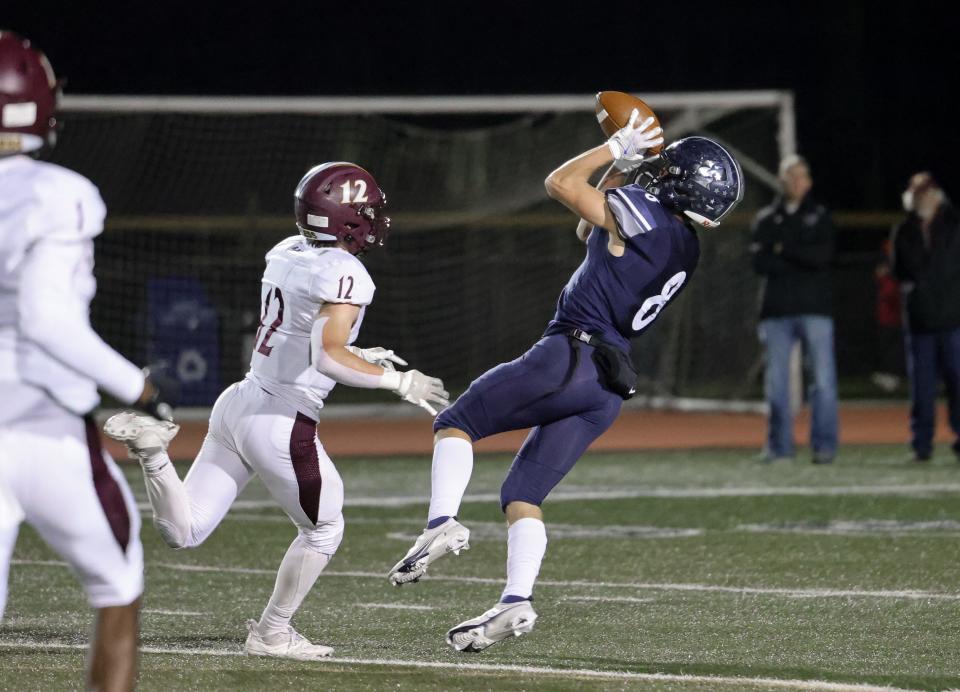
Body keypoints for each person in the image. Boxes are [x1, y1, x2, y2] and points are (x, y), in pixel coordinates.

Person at [387, 111, 743, 652]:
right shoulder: (684, 245)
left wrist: (614, 147)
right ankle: (515, 601)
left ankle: (441, 522)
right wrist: (621, 166)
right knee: (522, 495)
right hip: (605, 389)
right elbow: (588, 224)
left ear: (677, 180)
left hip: (570, 354)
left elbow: (559, 185)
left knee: (456, 422)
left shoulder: (645, 213)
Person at [103, 162, 449, 660]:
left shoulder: (288, 251)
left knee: (185, 531)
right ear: (348, 218)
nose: (375, 218)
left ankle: (154, 453)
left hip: (240, 401)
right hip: (282, 419)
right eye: (366, 210)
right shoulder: (346, 271)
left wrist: (360, 354)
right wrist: (398, 380)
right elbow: (326, 353)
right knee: (326, 528)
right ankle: (272, 633)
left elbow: (305, 334)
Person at [0, 30, 175, 692]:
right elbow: (47, 319)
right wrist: (139, 386)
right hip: (46, 427)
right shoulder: (58, 191)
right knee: (117, 584)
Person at [750, 155, 838, 464]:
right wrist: (799, 253)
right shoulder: (765, 217)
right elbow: (760, 262)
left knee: (824, 382)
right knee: (777, 386)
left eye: (800, 175)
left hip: (815, 309)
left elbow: (822, 257)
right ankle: (779, 448)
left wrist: (784, 249)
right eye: (790, 175)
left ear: (809, 181)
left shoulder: (820, 215)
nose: (795, 181)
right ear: (781, 179)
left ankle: (824, 447)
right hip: (776, 310)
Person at [891, 172, 960, 462]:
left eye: (923, 192)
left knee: (958, 383)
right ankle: (921, 444)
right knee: (922, 388)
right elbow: (902, 270)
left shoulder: (954, 225)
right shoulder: (905, 230)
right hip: (920, 320)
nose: (920, 198)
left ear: (934, 194)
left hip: (953, 318)